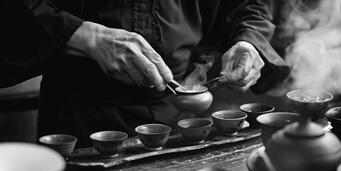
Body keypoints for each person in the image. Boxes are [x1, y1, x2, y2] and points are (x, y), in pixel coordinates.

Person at [17, 0, 288, 147]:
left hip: (182, 121)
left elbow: (248, 5)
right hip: (79, 117)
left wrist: (248, 40)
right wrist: (83, 35)